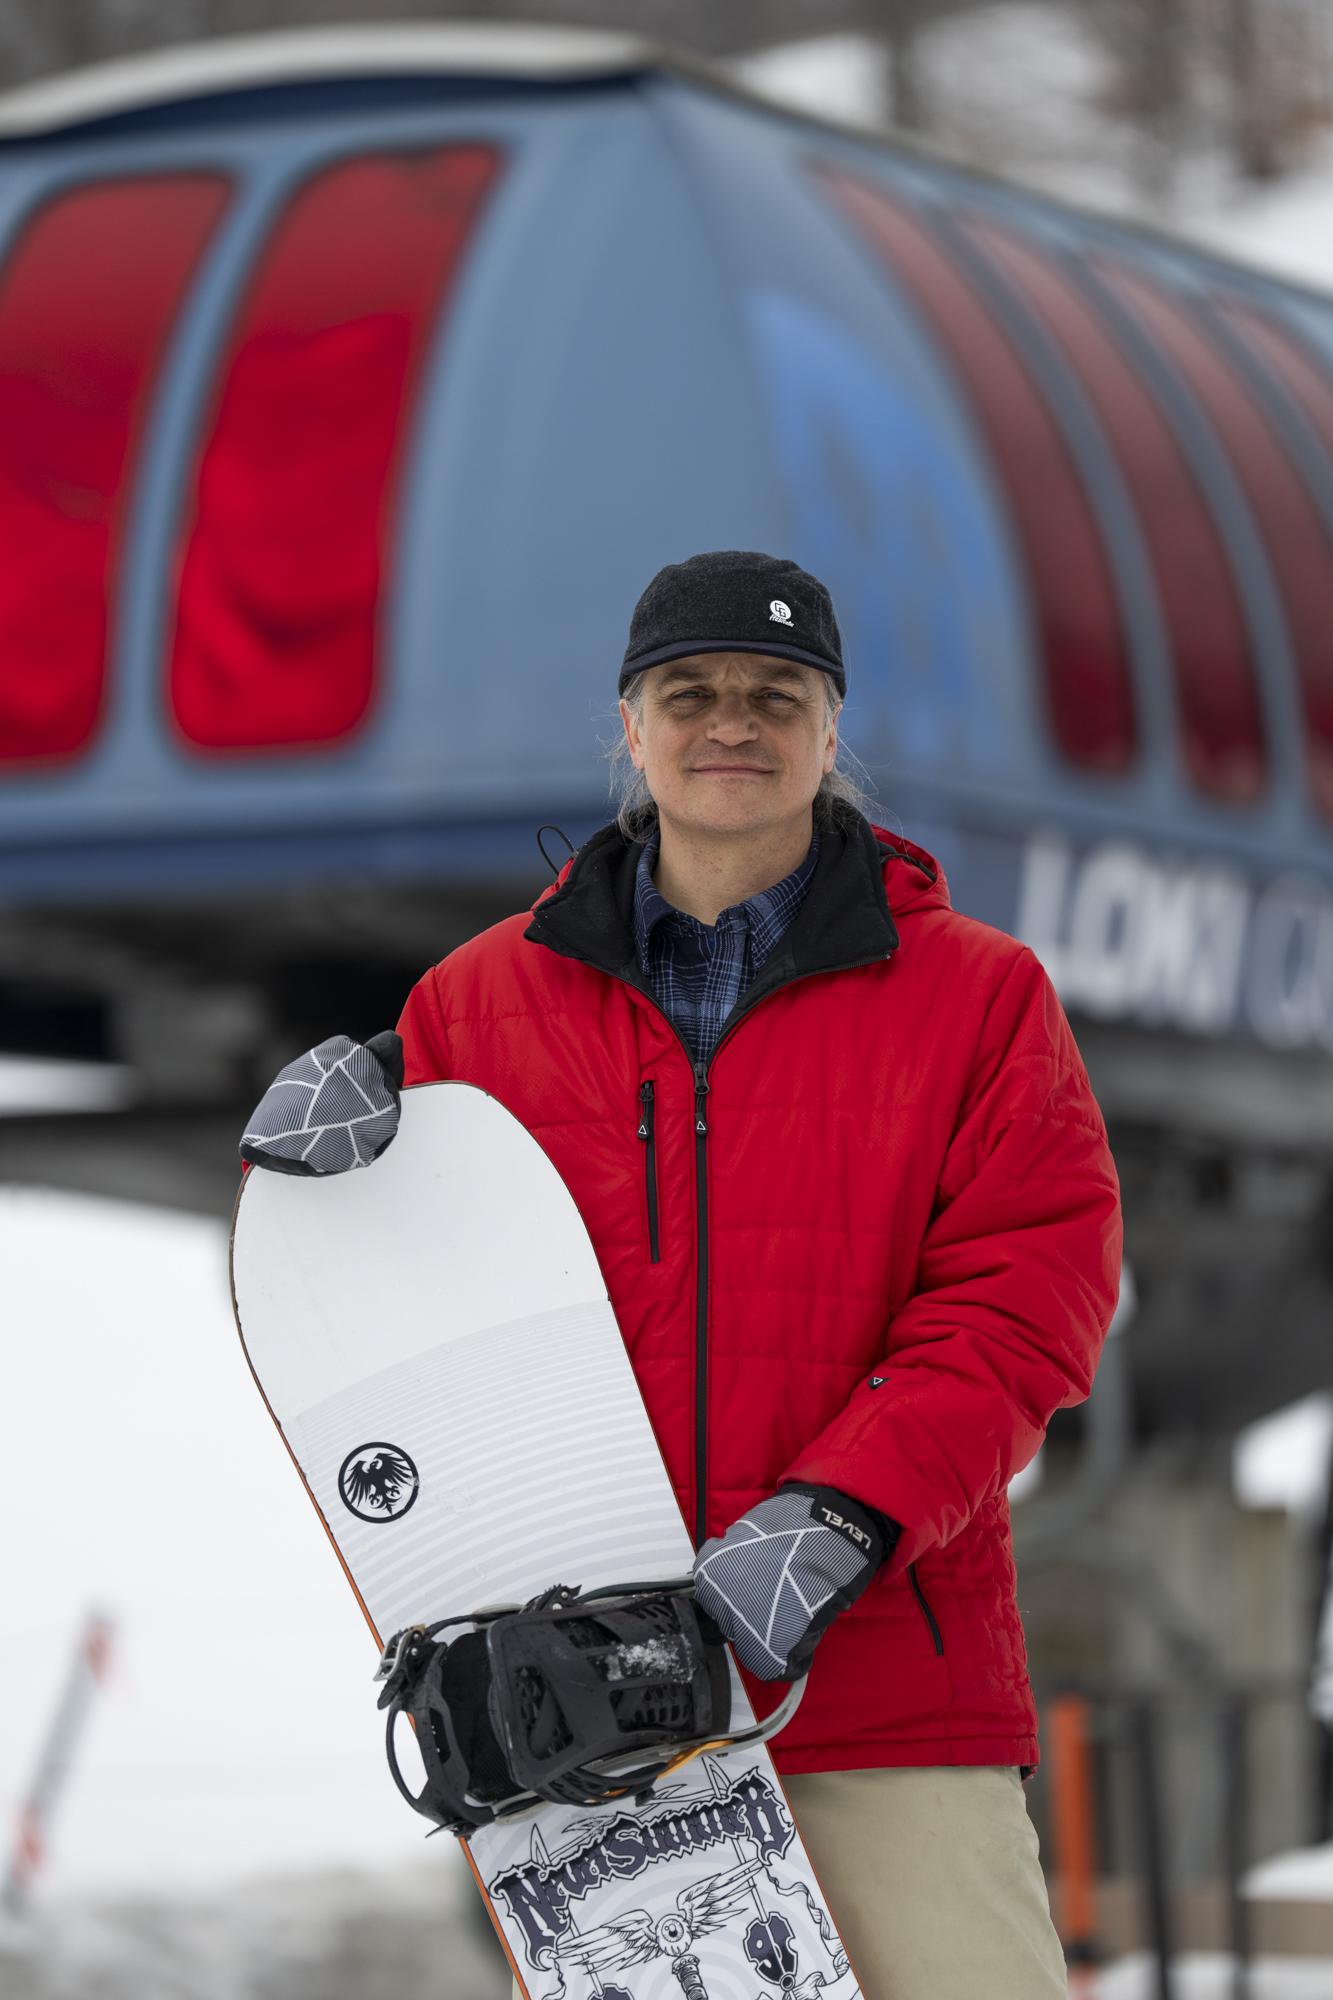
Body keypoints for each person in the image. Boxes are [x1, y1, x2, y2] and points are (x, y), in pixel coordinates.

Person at [242, 549, 1122, 1998]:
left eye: (778, 694)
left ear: (829, 734)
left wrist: (841, 1517)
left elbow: (1025, 1303)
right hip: (595, 1721)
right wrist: (332, 1152)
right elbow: (395, 1305)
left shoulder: (977, 997)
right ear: (631, 728)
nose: (734, 722)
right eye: (690, 691)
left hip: (882, 1699)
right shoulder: (474, 1002)